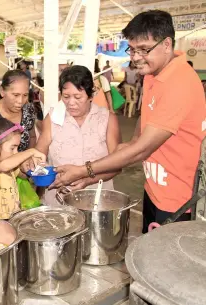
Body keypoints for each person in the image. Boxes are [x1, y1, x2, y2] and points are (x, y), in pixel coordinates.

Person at [51, 10, 206, 233]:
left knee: (162, 261)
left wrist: (84, 170)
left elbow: (140, 151)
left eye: (144, 49)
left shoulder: (179, 82)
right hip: (155, 188)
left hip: (179, 199)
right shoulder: (154, 74)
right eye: (132, 49)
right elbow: (144, 124)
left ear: (167, 44)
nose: (135, 57)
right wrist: (127, 147)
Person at [36, 65, 121, 205]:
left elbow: (117, 165)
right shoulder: (53, 118)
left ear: (91, 95)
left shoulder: (107, 119)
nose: (71, 103)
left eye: (78, 97)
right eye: (66, 96)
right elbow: (39, 157)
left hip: (96, 201)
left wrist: (87, 180)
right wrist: (34, 166)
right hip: (58, 200)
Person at [0, 70, 36, 152]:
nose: (20, 101)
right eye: (16, 95)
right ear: (2, 91)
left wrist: (28, 157)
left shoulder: (28, 109)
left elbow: (32, 137)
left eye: (25, 95)